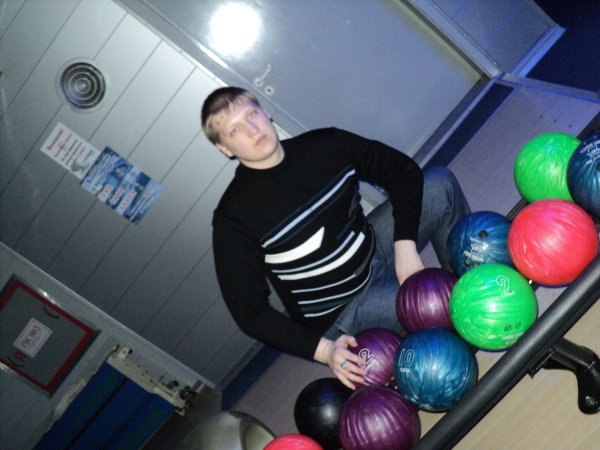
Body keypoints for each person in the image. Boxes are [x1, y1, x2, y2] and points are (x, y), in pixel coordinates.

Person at [202, 86, 470, 389]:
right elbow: (249, 311)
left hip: (373, 249)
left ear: (266, 112)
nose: (252, 129)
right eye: (234, 130)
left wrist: (405, 247)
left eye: (252, 114)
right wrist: (325, 351)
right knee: (441, 300)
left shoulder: (325, 144)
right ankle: (458, 312)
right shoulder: (233, 217)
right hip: (344, 311)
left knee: (439, 185)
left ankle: (473, 284)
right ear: (225, 148)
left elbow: (403, 171)